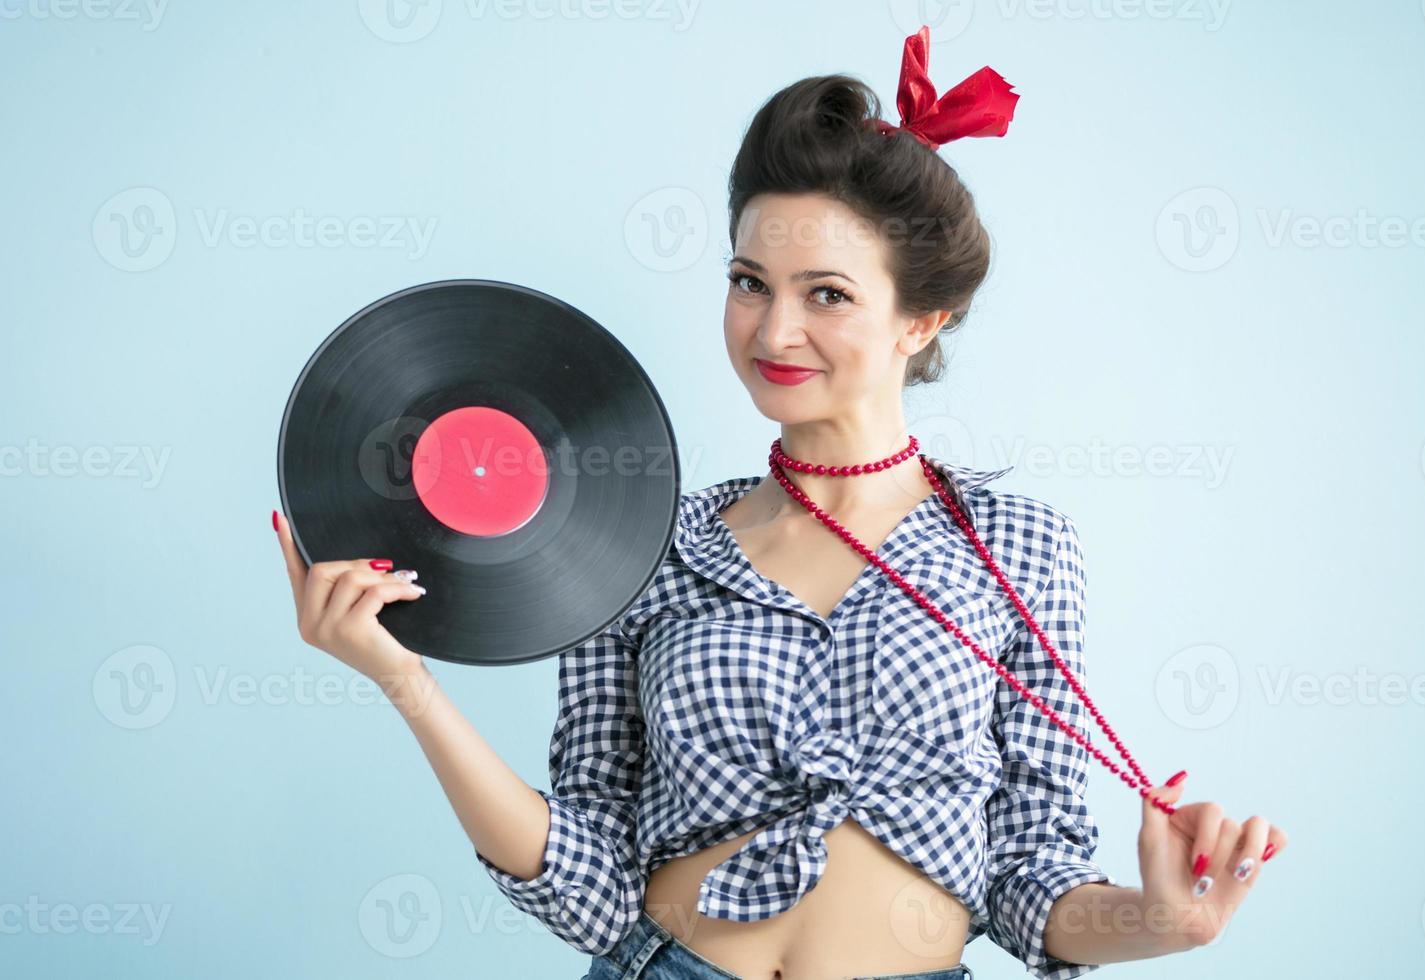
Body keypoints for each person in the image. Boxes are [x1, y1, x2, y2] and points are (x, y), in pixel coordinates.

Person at [271, 27, 1286, 980]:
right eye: (750, 280)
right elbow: (590, 885)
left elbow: (1029, 874)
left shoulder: (1019, 544)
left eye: (828, 293)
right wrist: (403, 680)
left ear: (921, 320)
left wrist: (1163, 920)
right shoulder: (640, 539)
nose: (774, 329)